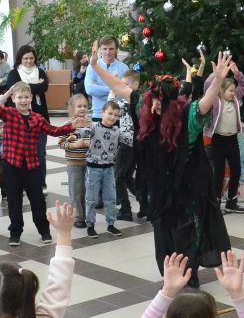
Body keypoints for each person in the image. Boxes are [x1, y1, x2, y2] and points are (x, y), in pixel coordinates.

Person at [90, 50, 233, 287]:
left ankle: (188, 280)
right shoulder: (143, 109)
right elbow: (118, 85)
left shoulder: (186, 116)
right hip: (159, 191)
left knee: (186, 236)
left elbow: (206, 103)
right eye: (152, 99)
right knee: (163, 235)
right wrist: (96, 67)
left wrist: (217, 80)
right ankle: (171, 278)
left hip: (187, 191)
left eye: (160, 101)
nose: (155, 105)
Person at [0, 83, 86, 246]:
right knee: (14, 200)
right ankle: (15, 231)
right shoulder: (9, 113)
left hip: (33, 166)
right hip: (12, 166)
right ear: (13, 98)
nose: (23, 100)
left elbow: (53, 130)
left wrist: (70, 127)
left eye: (26, 97)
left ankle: (44, 230)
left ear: (31, 98)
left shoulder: (37, 118)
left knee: (37, 199)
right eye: (19, 97)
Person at [2, 45, 53, 188]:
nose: (29, 61)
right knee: (21, 154)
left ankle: (40, 183)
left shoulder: (40, 71)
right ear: (20, 59)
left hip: (40, 119)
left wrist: (27, 86)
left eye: (31, 58)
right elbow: (14, 89)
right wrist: (35, 85)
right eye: (25, 58)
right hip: (19, 120)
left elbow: (44, 87)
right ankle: (24, 183)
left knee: (40, 153)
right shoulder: (14, 73)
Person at [204, 60, 244, 214]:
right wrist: (216, 74)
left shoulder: (235, 99)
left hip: (232, 140)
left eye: (233, 90)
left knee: (236, 170)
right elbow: (207, 87)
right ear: (221, 91)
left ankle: (231, 201)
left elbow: (243, 85)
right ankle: (216, 201)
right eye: (230, 90)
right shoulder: (216, 101)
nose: (233, 93)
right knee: (219, 172)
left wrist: (237, 72)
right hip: (218, 140)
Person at [84, 99, 123, 237]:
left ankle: (111, 224)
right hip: (94, 168)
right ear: (102, 113)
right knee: (92, 198)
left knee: (111, 198)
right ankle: (90, 225)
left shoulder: (117, 131)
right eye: (110, 113)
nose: (112, 117)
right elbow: (82, 132)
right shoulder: (94, 127)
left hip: (109, 169)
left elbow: (128, 140)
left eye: (116, 115)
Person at [113, 71, 143, 221]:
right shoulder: (138, 101)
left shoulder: (127, 102)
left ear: (135, 85)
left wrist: (112, 94)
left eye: (125, 85)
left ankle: (125, 210)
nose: (121, 89)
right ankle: (145, 205)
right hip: (134, 143)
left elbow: (110, 108)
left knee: (118, 176)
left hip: (128, 144)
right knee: (127, 176)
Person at [60, 93, 92, 228]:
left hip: (89, 162)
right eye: (79, 106)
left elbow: (96, 140)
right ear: (72, 108)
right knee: (75, 191)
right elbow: (61, 143)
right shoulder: (68, 125)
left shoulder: (91, 124)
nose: (83, 108)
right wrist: (74, 144)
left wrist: (90, 143)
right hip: (74, 163)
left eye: (85, 106)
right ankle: (77, 217)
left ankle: (86, 215)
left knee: (87, 190)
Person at [84, 35, 128, 121]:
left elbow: (125, 93)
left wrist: (99, 90)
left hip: (117, 116)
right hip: (98, 114)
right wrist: (114, 89)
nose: (108, 52)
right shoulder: (92, 66)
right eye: (105, 49)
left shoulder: (124, 68)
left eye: (111, 49)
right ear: (100, 50)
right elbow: (89, 89)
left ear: (116, 50)